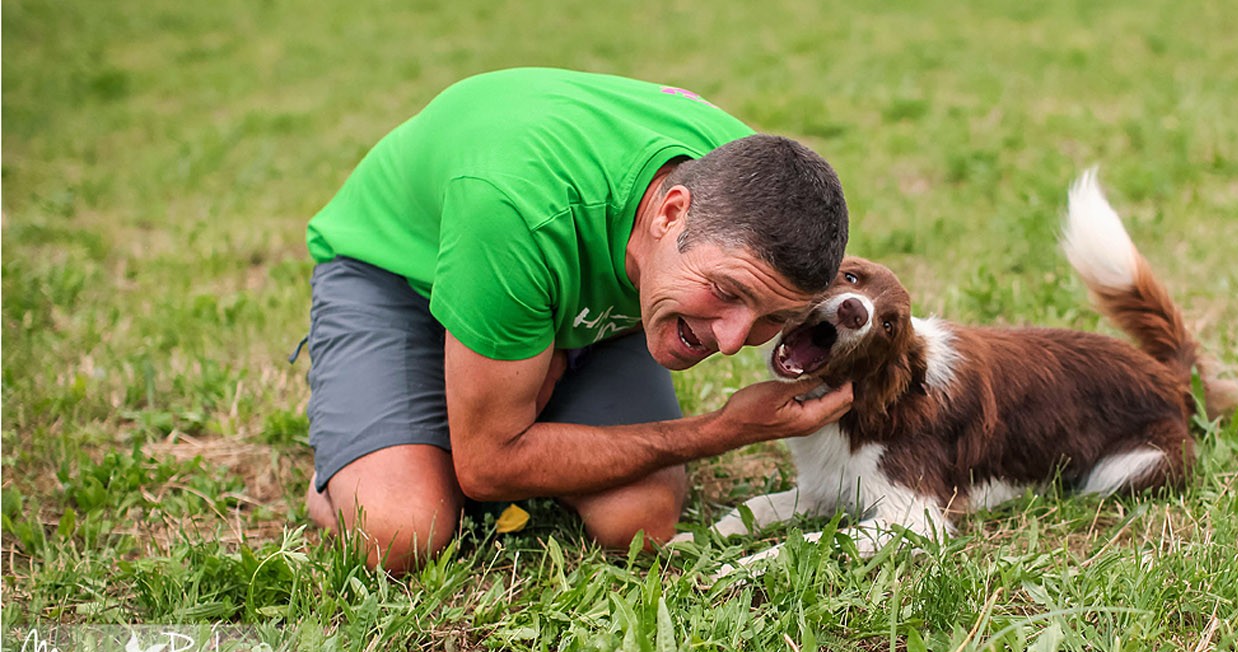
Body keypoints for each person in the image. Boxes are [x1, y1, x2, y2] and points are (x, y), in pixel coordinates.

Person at [299, 67, 853, 573]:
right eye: (726, 292)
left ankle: (524, 372)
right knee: (401, 533)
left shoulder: (757, 187)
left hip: (578, 289)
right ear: (668, 212)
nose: (732, 342)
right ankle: (349, 465)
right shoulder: (513, 207)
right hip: (400, 275)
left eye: (771, 317)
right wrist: (721, 430)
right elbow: (488, 469)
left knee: (637, 524)